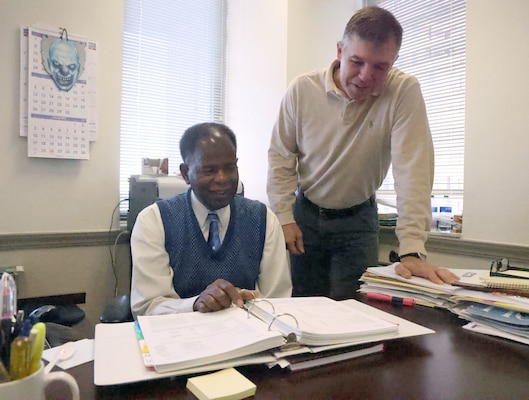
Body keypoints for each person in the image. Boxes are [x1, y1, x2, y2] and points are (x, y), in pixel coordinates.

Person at [267, 6, 459, 299]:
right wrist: (283, 216)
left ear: (393, 61)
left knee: (358, 315)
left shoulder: (403, 91)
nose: (366, 76)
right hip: (303, 219)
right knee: (301, 310)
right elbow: (281, 157)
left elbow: (413, 171)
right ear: (340, 50)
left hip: (358, 224)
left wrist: (411, 249)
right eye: (357, 62)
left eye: (380, 67)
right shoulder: (302, 90)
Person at [131, 122, 292, 316]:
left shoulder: (263, 219)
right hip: (180, 336)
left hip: (246, 333)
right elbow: (148, 307)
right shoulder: (154, 221)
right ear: (185, 173)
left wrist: (244, 304)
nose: (223, 178)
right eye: (209, 170)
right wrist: (196, 303)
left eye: (230, 167)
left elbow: (277, 301)